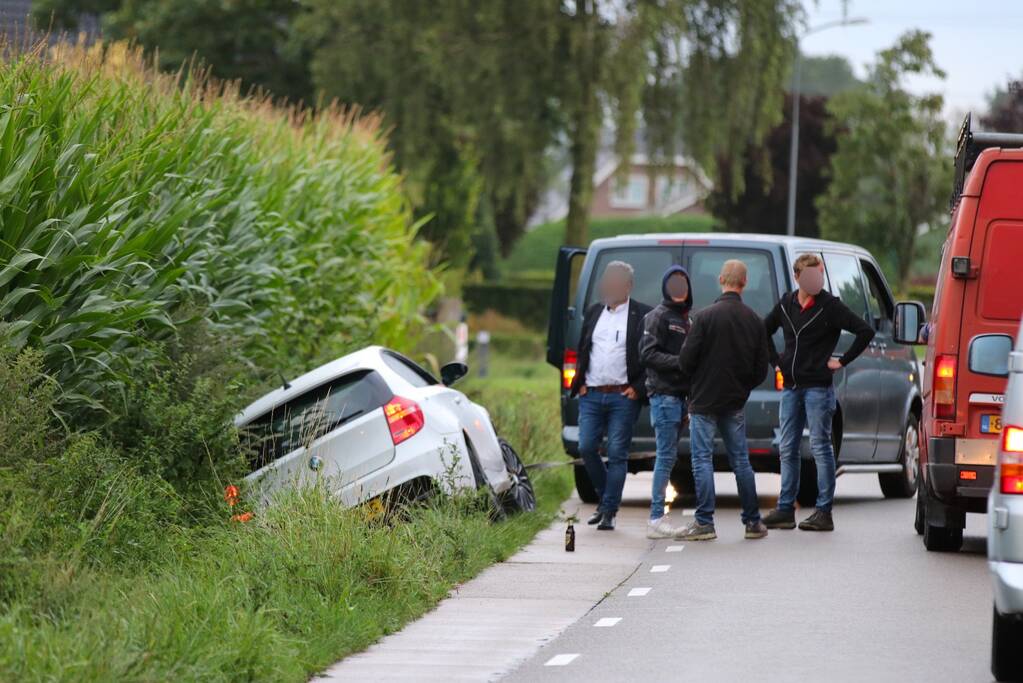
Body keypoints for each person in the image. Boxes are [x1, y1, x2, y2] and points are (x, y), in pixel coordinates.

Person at [761, 253, 875, 532]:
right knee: (787, 448)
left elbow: (864, 331)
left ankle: (824, 512)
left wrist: (841, 361)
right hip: (791, 388)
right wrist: (777, 363)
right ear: (798, 277)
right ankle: (786, 509)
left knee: (820, 448)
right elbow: (763, 330)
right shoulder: (786, 304)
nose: (816, 280)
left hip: (818, 389)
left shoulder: (830, 306)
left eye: (819, 275)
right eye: (810, 275)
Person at [675, 260, 769, 541]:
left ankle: (704, 522)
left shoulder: (704, 317)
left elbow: (685, 360)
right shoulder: (754, 320)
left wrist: (695, 384)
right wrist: (742, 388)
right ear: (745, 282)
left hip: (704, 400)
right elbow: (760, 368)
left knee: (702, 459)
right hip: (734, 401)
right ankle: (752, 522)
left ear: (721, 279)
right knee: (741, 461)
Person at [570, 261, 652, 531]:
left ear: (627, 286)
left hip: (622, 397)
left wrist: (638, 388)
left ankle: (609, 511)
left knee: (617, 453)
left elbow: (650, 356)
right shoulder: (594, 312)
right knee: (585, 448)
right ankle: (607, 500)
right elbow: (583, 349)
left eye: (614, 281)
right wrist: (580, 383)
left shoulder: (642, 315)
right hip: (591, 394)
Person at [638, 265, 693, 539]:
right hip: (664, 397)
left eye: (683, 283)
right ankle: (656, 518)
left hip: (680, 399)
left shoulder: (687, 320)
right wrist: (680, 363)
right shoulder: (657, 316)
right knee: (665, 457)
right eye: (674, 283)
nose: (679, 288)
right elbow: (647, 354)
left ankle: (657, 517)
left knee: (669, 458)